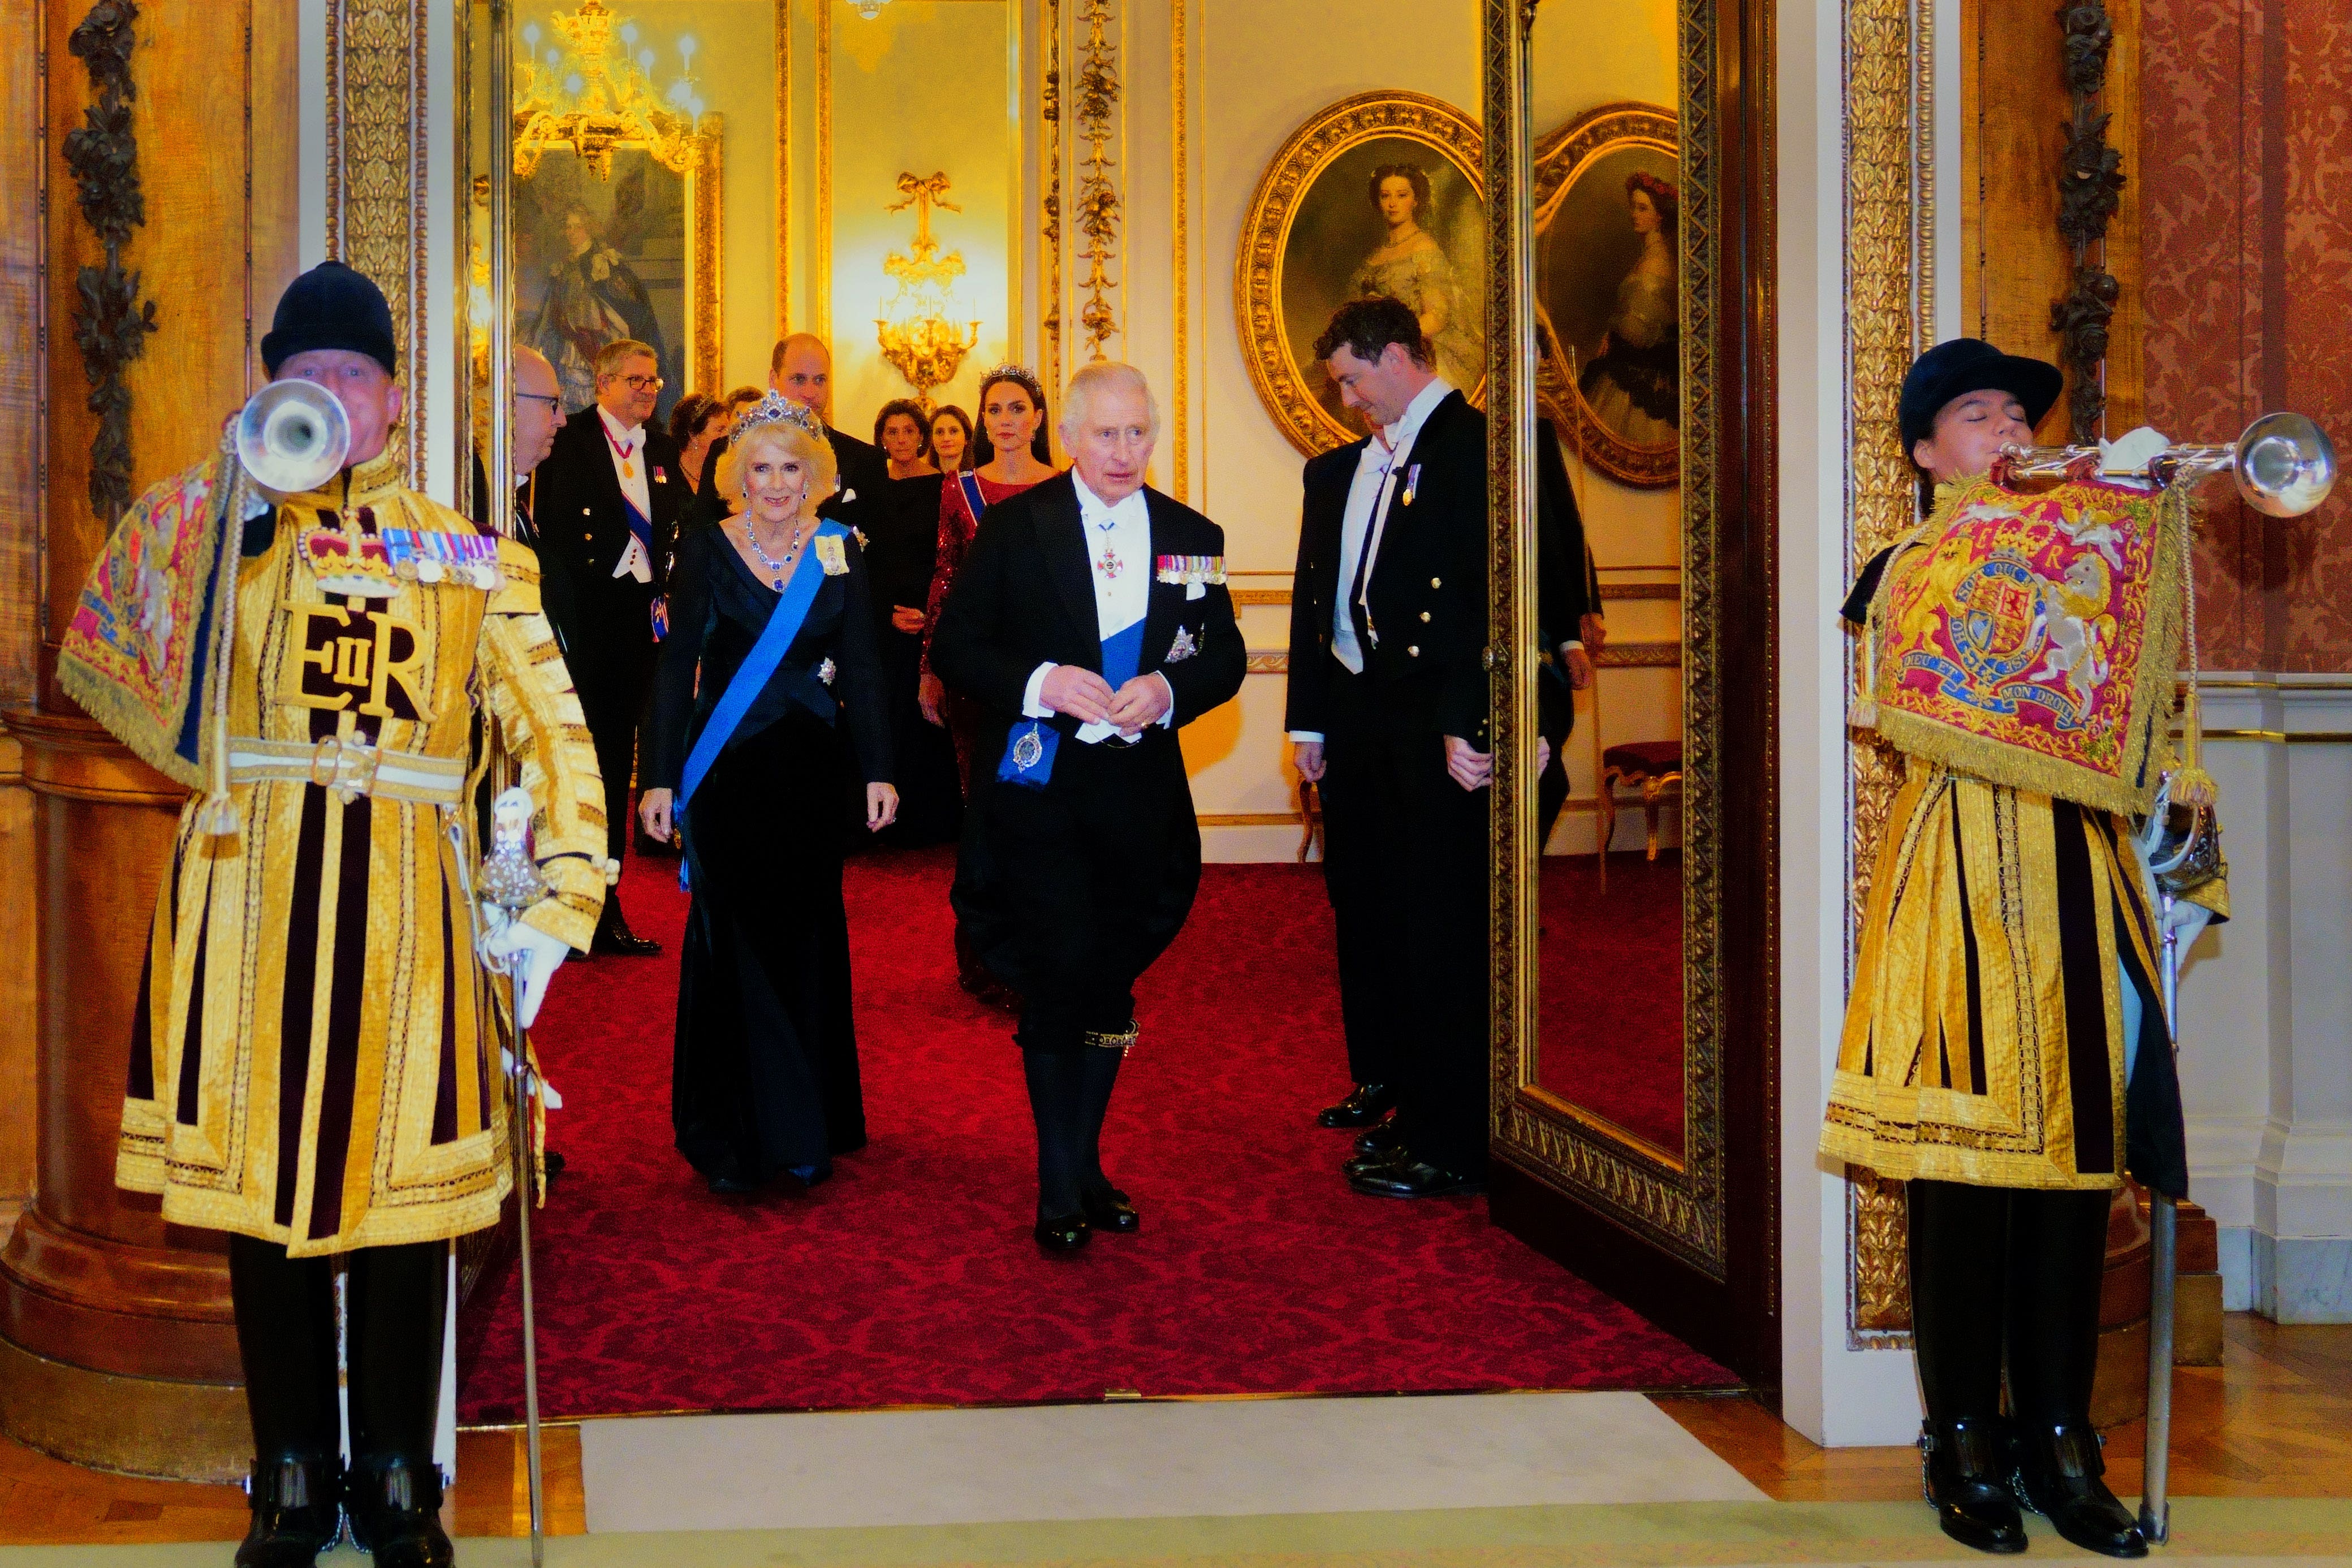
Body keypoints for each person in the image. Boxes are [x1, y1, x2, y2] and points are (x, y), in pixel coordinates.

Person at [60, 261, 606, 1567]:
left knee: (409, 1204)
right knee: (265, 1199)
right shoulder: (211, 537)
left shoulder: (468, 553)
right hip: (246, 902)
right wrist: (226, 519)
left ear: (395, 403)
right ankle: (291, 1472)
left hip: (408, 915)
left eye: (351, 376)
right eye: (300, 374)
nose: (326, 394)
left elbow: (554, 725)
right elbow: (109, 666)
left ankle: (399, 1477)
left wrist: (563, 888)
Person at [1821, 338, 2212, 1559]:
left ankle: (2057, 1435)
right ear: (1928, 449)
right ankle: (1963, 1436)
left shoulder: (2105, 558)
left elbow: (2158, 726)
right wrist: (2094, 529)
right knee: (1966, 1178)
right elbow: (1946, 689)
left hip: (2082, 879)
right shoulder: (1913, 564)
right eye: (1976, 415)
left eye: (2015, 415)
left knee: (2080, 1173)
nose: (2004, 432)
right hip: (1961, 884)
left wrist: (2178, 814)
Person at [930, 362, 1244, 1251]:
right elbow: (957, 646)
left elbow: (1222, 655)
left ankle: (1086, 1162)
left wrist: (1167, 688)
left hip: (1137, 800)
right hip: (1041, 797)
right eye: (1104, 434)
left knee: (1110, 977)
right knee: (1057, 973)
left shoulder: (1191, 534)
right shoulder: (1015, 530)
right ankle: (1057, 1181)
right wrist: (1039, 682)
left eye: (1136, 433)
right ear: (1067, 436)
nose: (1121, 451)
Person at [640, 395, 898, 1194]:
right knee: (736, 939)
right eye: (762, 468)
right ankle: (753, 1129)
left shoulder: (839, 550)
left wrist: (879, 768)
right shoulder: (706, 548)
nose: (778, 483)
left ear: (814, 477)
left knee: (806, 937)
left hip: (810, 777)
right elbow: (674, 664)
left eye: (792, 468)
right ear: (737, 477)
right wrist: (657, 774)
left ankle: (813, 1108)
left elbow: (861, 665)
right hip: (726, 775)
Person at [1286, 296, 1508, 1199]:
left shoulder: (1474, 445)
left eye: (1348, 377)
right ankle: (1412, 1105)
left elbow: (1493, 597)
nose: (1345, 399)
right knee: (1381, 912)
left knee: (1441, 933)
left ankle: (1448, 1136)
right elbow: (1324, 600)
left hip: (1434, 727)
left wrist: (1475, 720)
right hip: (1373, 718)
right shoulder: (1364, 462)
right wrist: (1314, 722)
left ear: (1393, 358)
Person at [528, 338, 685, 953]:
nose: (647, 390)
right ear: (603, 381)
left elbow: (677, 528)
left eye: (653, 382)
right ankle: (565, 901)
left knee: (618, 762)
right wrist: (618, 560)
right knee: (578, 767)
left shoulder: (665, 450)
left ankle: (605, 901)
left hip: (640, 625)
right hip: (585, 621)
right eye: (635, 381)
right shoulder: (568, 445)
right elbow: (560, 536)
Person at [920, 366, 1058, 1000]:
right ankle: (985, 957)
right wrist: (930, 668)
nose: (1004, 419)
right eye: (994, 409)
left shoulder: (1064, 487)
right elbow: (944, 581)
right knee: (984, 815)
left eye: (1016, 407)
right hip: (977, 677)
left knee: (1039, 813)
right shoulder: (960, 490)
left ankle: (1041, 951)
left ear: (1037, 416)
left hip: (1051, 682)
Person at [861, 401, 963, 846]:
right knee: (884, 712)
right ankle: (882, 817)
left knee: (928, 714)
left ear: (922, 437)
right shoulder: (867, 489)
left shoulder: (945, 486)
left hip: (931, 618)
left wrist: (932, 612)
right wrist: (885, 610)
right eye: (892, 431)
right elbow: (860, 560)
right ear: (881, 437)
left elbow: (950, 558)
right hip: (880, 619)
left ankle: (929, 820)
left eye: (909, 431)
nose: (901, 439)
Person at [687, 336, 886, 532]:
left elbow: (878, 556)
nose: (810, 392)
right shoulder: (728, 452)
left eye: (820, 380)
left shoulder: (865, 461)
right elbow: (704, 541)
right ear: (774, 379)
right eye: (799, 380)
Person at [1348, 163, 1482, 400]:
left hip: (1414, 355)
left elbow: (1437, 316)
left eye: (1402, 196)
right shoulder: (1375, 257)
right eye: (1385, 196)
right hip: (1377, 355)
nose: (1392, 204)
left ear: (1416, 200)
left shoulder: (1424, 249)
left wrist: (1393, 345)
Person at [528, 201, 672, 414]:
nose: (572, 232)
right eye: (568, 227)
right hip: (568, 347)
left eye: (577, 226)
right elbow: (551, 312)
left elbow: (628, 306)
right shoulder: (564, 268)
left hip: (599, 345)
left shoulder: (603, 262)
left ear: (588, 228)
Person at [1577, 172, 1680, 447]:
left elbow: (1639, 333)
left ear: (1660, 216)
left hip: (1641, 373)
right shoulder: (1649, 256)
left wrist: (1615, 342)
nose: (1634, 214)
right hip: (1629, 360)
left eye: (1643, 208)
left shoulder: (1656, 265)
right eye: (1633, 206)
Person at [670, 392, 727, 502]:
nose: (727, 435)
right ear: (694, 435)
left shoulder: (725, 474)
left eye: (728, 428)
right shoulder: (669, 474)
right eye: (720, 430)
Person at [930, 403, 974, 473]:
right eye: (939, 432)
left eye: (954, 431)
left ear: (967, 437)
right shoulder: (923, 477)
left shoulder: (980, 477)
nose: (946, 438)